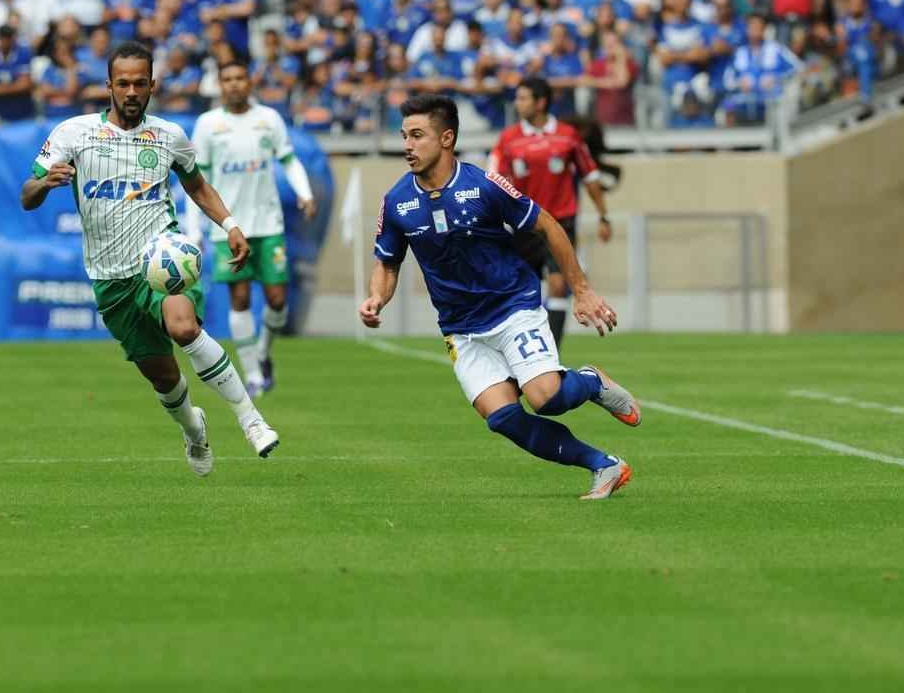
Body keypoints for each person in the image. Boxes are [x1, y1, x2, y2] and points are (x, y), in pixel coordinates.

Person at [360, 94, 639, 501]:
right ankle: (605, 466)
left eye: (417, 135)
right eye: (404, 136)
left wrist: (581, 290)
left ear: (446, 138)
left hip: (513, 308)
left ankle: (591, 382)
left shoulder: (484, 186)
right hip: (461, 328)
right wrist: (375, 299)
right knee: (504, 418)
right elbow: (387, 262)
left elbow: (547, 225)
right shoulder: (397, 201)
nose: (407, 145)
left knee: (547, 398)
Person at [20, 41, 280, 477]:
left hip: (159, 257)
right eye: (123, 83)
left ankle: (251, 419)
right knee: (164, 379)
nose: (132, 91)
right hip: (109, 278)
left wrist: (231, 225)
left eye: (140, 83)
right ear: (108, 86)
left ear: (153, 84)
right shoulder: (74, 133)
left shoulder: (168, 136)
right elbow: (28, 195)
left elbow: (198, 187)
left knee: (184, 326)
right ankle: (194, 430)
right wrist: (45, 184)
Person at [189, 59, 317, 398]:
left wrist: (305, 193)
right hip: (227, 228)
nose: (233, 84)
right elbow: (196, 182)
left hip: (268, 223)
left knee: (277, 300)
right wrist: (193, 229)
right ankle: (253, 374)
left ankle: (262, 354)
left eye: (239, 77)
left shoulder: (269, 119)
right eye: (227, 78)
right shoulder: (208, 124)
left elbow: (289, 160)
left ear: (250, 82)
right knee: (240, 298)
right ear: (220, 84)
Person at [487, 77, 611, 349]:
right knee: (523, 291)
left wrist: (604, 215)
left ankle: (551, 352)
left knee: (557, 285)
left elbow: (590, 176)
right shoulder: (508, 139)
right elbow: (492, 177)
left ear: (540, 102)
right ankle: (524, 346)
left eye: (523, 98)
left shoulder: (568, 136)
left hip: (560, 223)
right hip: (523, 224)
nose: (517, 103)